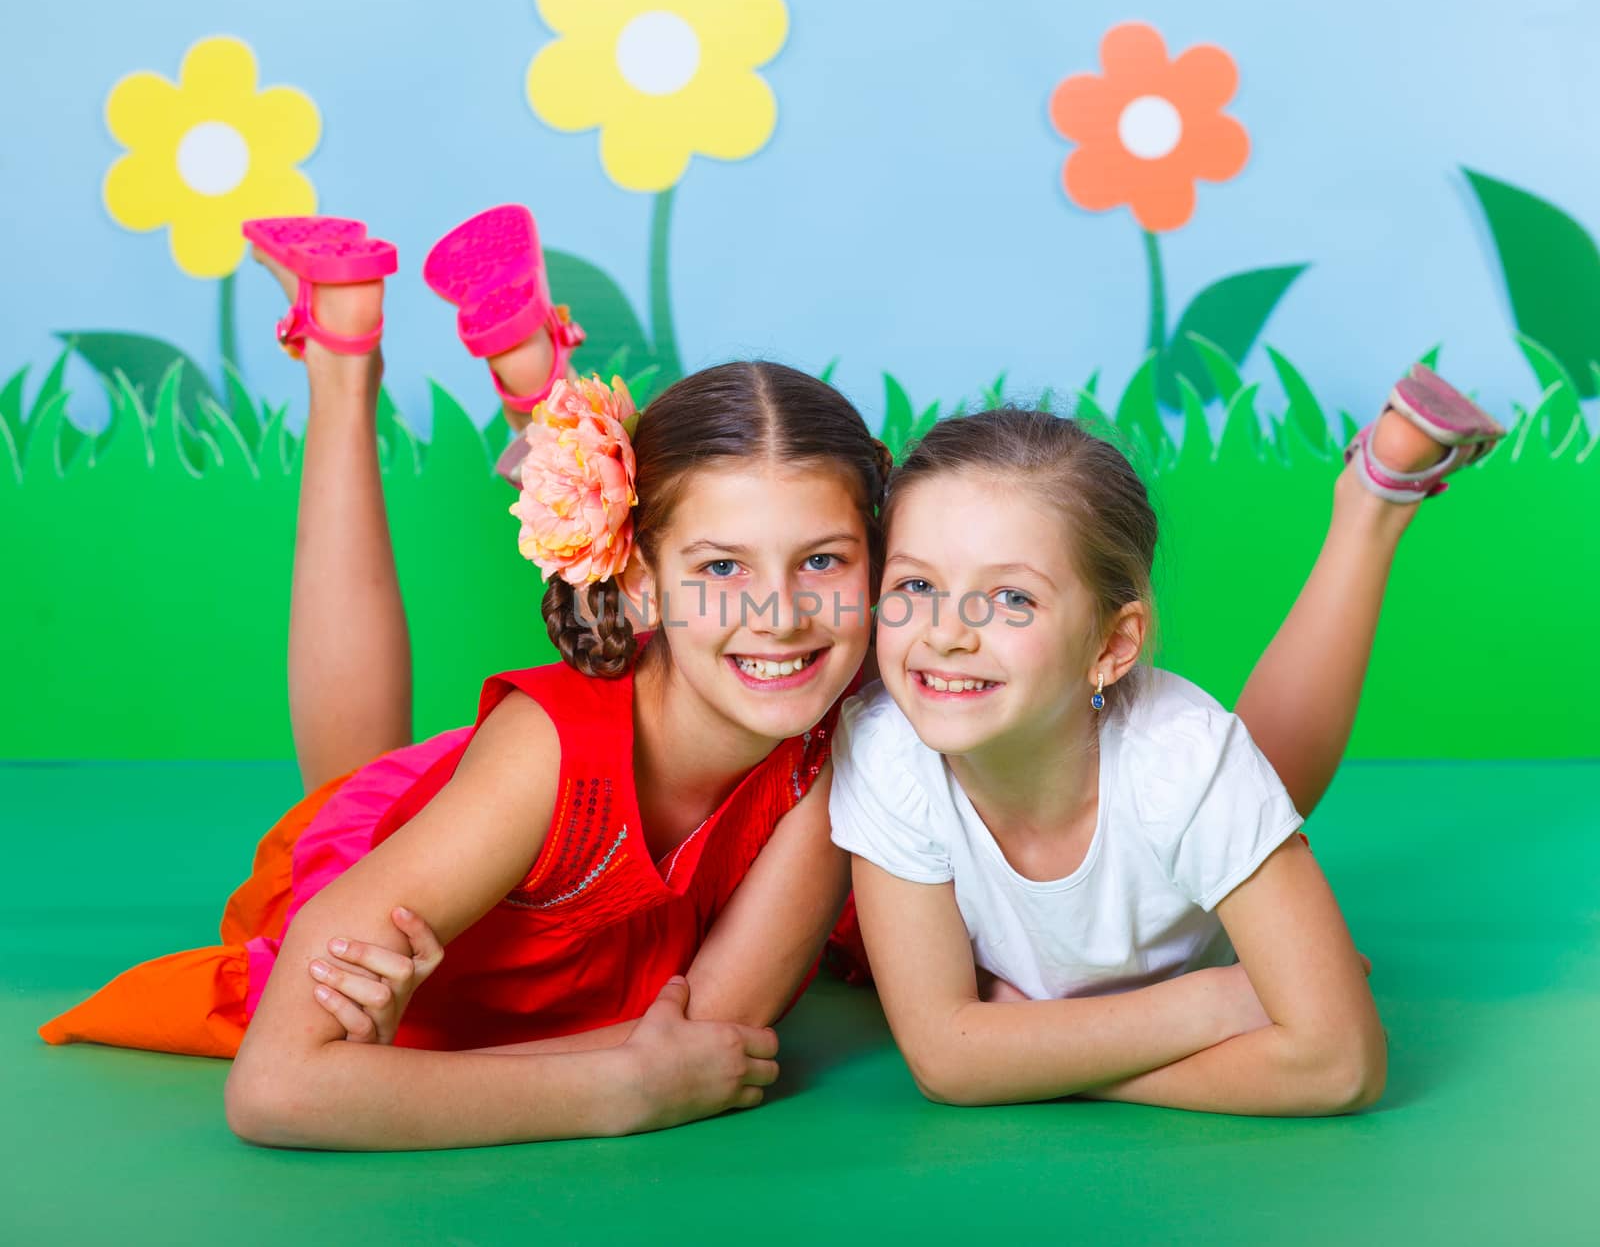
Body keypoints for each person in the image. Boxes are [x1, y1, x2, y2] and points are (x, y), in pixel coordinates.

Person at [39, 209, 889, 1150]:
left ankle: (531, 380)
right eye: (725, 569)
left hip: (563, 815)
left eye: (823, 562)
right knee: (343, 788)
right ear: (642, 585)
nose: (780, 612)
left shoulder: (841, 750)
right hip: (459, 826)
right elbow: (275, 1086)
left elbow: (714, 1036)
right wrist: (616, 1088)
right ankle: (343, 358)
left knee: (667, 623)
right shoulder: (544, 756)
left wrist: (397, 1077)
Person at [828, 380, 1505, 1116]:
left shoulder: (1183, 762)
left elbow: (1341, 1063)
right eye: (917, 584)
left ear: (1113, 645)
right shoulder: (887, 747)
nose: (947, 632)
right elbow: (948, 1059)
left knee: (1248, 770)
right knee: (1246, 773)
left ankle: (1371, 504)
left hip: (1171, 774)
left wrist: (1029, 1051)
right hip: (1176, 890)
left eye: (1013, 598)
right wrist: (1212, 1005)